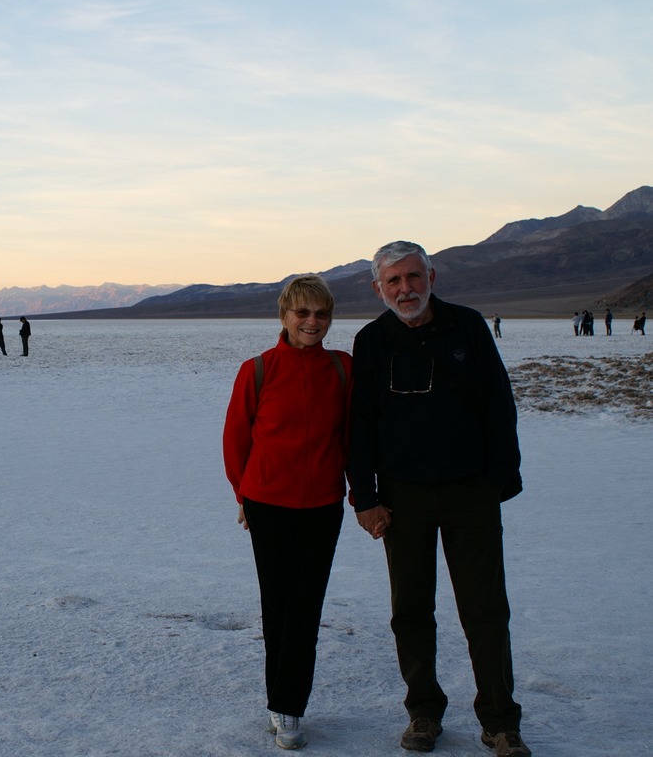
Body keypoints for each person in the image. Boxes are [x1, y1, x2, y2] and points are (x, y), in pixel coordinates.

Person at [348, 241, 530, 757]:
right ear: (379, 289)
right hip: (402, 496)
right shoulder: (372, 340)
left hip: (470, 491)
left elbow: (499, 405)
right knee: (410, 609)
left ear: (432, 277)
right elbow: (359, 425)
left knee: (485, 608)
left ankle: (500, 721)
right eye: (394, 281)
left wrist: (497, 481)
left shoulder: (466, 326)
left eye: (413, 277)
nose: (405, 289)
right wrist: (365, 497)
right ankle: (423, 712)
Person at [223, 274, 352, 751]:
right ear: (284, 316)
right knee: (277, 605)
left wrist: (361, 494)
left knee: (305, 606)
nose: (312, 322)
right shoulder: (257, 370)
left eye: (321, 314)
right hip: (268, 505)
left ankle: (289, 705)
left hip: (322, 506)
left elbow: (353, 438)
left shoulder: (342, 369)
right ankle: (281, 705)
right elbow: (236, 439)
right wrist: (243, 495)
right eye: (303, 313)